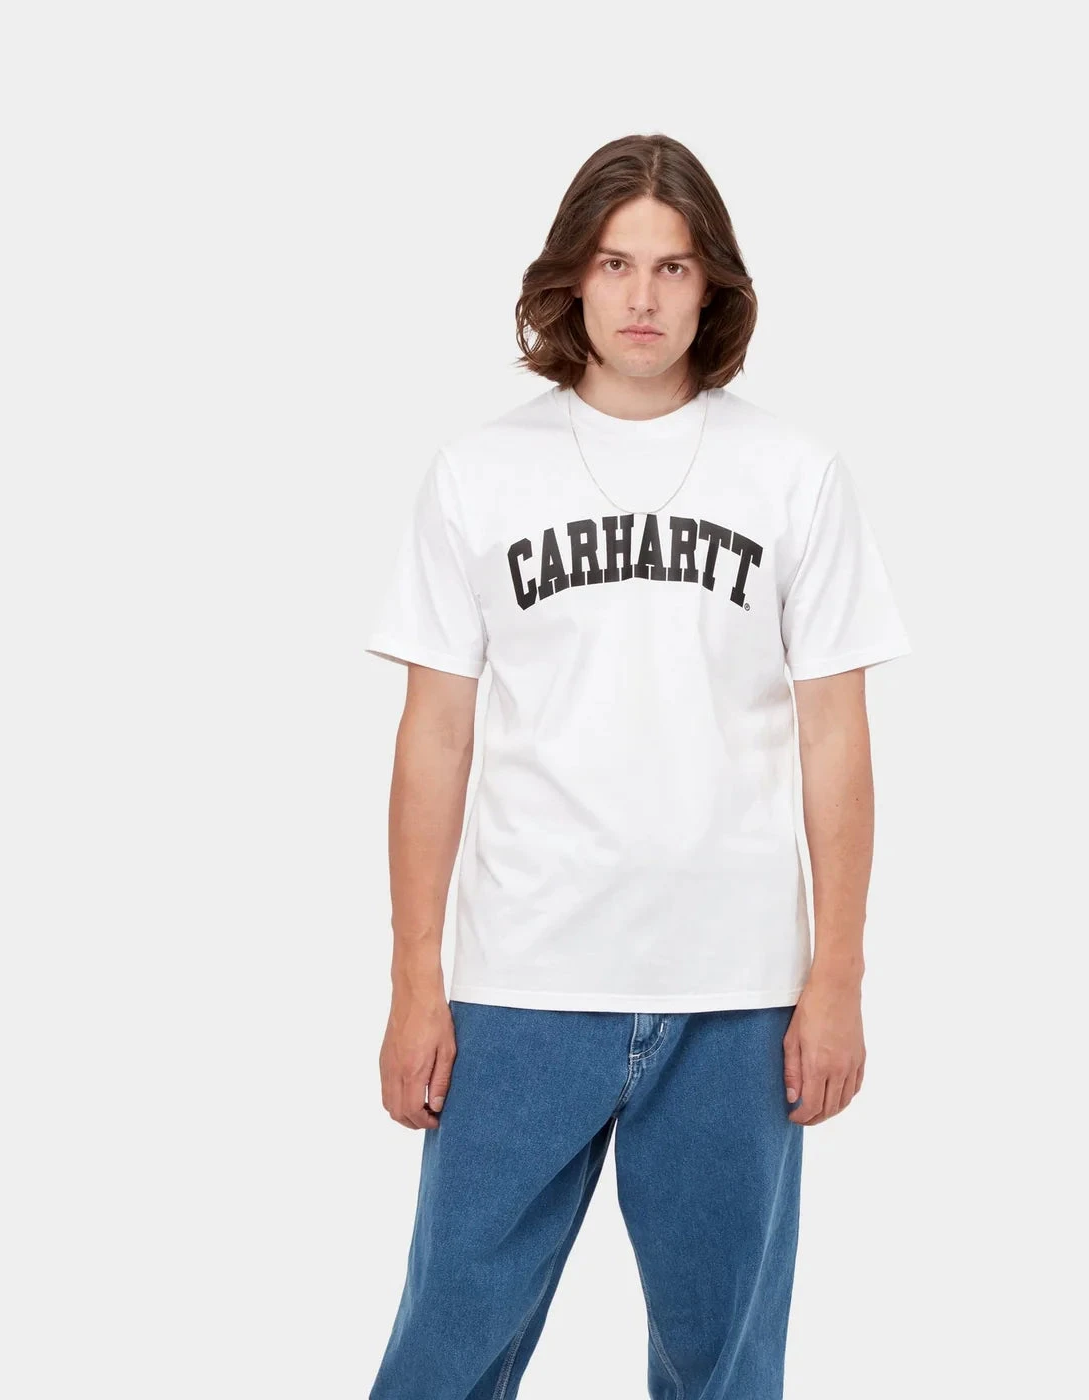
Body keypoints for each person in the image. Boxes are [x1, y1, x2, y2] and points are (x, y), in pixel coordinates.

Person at [361, 132, 911, 1399]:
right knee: (445, 1348)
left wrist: (835, 975)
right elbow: (433, 735)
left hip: (736, 992)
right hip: (521, 982)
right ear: (571, 277)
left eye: (671, 267)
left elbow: (835, 734)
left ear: (712, 285)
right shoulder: (479, 474)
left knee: (723, 1369)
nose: (642, 297)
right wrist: (413, 980)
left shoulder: (793, 474)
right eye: (615, 263)